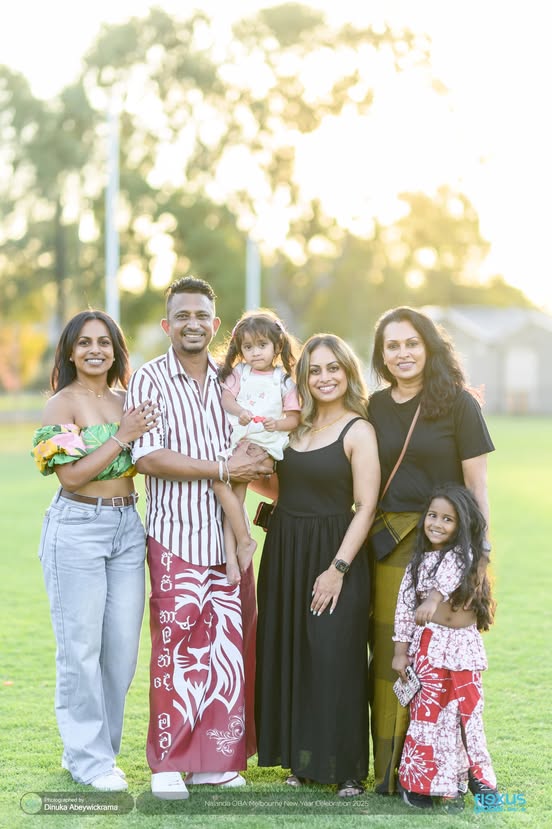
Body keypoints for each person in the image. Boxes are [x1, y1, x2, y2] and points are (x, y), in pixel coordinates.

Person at [125, 276, 274, 800]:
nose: (192, 323)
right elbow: (146, 456)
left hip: (229, 541)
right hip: (176, 535)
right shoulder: (149, 379)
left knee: (226, 652)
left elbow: (256, 447)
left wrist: (250, 464)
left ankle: (215, 762)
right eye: (181, 315)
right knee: (176, 650)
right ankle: (168, 762)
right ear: (168, 324)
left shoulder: (231, 381)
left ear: (216, 325)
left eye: (201, 316)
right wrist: (219, 466)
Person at [367, 306, 495, 795]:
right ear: (382, 354)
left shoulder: (459, 403)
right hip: (385, 546)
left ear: (429, 346)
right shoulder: (375, 406)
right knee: (392, 658)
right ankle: (390, 772)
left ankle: (437, 772)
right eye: (392, 345)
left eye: (411, 343)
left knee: (439, 664)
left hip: (445, 551)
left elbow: (477, 487)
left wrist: (479, 557)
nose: (402, 353)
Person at [31, 310, 158, 791]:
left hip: (128, 528)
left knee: (122, 651)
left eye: (104, 342)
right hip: (77, 527)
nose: (95, 350)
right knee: (80, 649)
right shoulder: (60, 405)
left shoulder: (130, 400)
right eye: (84, 343)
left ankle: (94, 751)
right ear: (69, 351)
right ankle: (88, 759)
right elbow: (73, 475)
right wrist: (124, 436)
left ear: (116, 349)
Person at [254, 334, 380, 797]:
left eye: (334, 368)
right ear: (303, 377)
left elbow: (365, 505)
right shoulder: (294, 430)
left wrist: (338, 569)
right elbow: (278, 488)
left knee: (334, 657)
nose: (325, 378)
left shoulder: (358, 430)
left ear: (347, 373)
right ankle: (300, 760)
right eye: (315, 370)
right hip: (285, 550)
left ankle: (346, 769)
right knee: (292, 653)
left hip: (335, 553)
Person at [392, 483, 498, 810]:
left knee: (468, 714)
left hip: (464, 647)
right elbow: (404, 607)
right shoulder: (417, 563)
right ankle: (420, 784)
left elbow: (453, 571)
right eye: (432, 516)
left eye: (447, 519)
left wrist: (435, 597)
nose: (437, 523)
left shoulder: (467, 556)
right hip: (430, 648)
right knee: (427, 716)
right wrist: (400, 652)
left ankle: (481, 781)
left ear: (461, 525)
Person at [216, 309, 301, 584]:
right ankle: (238, 549)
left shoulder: (283, 379)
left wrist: (278, 424)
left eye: (262, 345)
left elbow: (294, 417)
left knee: (230, 493)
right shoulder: (240, 372)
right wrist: (239, 409)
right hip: (239, 441)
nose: (255, 353)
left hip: (262, 445)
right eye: (248, 347)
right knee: (228, 496)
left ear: (277, 346)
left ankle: (237, 552)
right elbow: (226, 398)